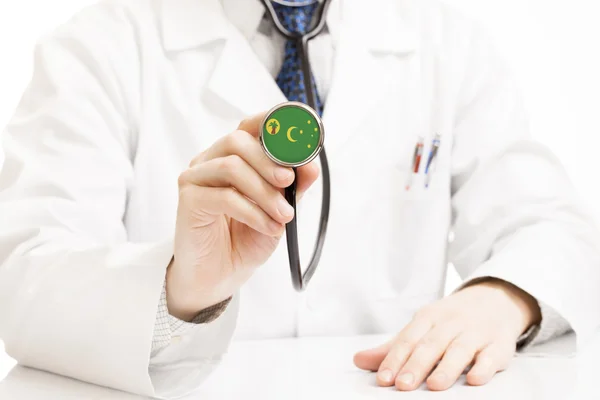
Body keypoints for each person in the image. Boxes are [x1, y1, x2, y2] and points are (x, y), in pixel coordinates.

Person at [0, 0, 598, 398]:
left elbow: (550, 226)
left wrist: (501, 296)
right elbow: (26, 279)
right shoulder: (99, 46)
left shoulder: (445, 41)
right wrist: (180, 289)